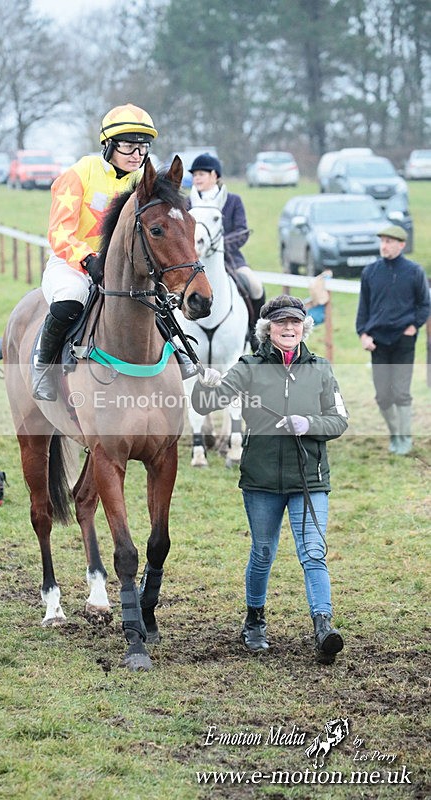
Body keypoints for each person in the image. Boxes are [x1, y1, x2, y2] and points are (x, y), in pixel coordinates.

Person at [192, 295, 348, 662]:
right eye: (281, 323)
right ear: (268, 329)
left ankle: (323, 625)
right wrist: (204, 381)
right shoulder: (248, 366)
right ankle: (255, 621)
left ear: (304, 327)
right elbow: (205, 404)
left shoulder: (321, 368)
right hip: (261, 480)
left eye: (295, 323)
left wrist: (309, 424)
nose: (289, 328)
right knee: (263, 553)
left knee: (313, 554)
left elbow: (339, 420)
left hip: (309, 479)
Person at [33, 103, 159, 401]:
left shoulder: (142, 182)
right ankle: (44, 367)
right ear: (109, 145)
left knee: (161, 302)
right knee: (68, 301)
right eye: (129, 147)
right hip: (72, 264)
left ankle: (179, 358)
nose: (136, 155)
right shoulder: (79, 174)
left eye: (143, 148)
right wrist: (88, 259)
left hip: (121, 269)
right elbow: (59, 232)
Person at [356, 224, 430, 456]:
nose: (384, 246)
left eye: (389, 241)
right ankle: (394, 434)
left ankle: (405, 439)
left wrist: (412, 326)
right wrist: (363, 333)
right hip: (377, 341)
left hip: (403, 341)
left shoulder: (414, 271)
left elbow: (424, 304)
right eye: (382, 241)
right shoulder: (370, 272)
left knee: (400, 392)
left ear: (401, 244)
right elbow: (363, 307)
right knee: (383, 395)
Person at [187, 153, 265, 338]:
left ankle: (255, 334)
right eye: (195, 175)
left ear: (215, 175)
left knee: (255, 286)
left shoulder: (233, 201)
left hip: (229, 257)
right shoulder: (188, 202)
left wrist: (219, 246)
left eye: (201, 174)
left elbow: (241, 231)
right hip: (193, 258)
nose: (197, 178)